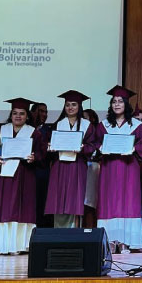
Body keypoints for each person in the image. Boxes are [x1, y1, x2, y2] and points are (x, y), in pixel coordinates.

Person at [0, 98, 45, 254]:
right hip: (4, 173)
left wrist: (34, 157)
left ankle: (20, 245)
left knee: (22, 207)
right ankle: (1, 244)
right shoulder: (1, 130)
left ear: (27, 116)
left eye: (22, 114)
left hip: (25, 174)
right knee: (4, 207)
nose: (18, 116)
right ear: (11, 115)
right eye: (15, 113)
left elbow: (41, 152)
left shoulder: (34, 132)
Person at [96, 86, 142, 254]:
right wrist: (100, 148)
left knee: (128, 202)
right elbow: (96, 143)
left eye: (120, 101)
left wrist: (134, 149)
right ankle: (111, 241)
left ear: (126, 104)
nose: (117, 104)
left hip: (129, 167)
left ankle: (126, 241)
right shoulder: (103, 125)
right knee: (109, 202)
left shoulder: (137, 126)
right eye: (114, 102)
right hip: (109, 167)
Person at [44, 90, 98, 228]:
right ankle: (59, 232)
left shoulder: (87, 125)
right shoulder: (57, 124)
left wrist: (83, 148)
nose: (70, 107)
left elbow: (93, 145)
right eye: (68, 105)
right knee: (59, 199)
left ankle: (74, 231)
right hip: (60, 166)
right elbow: (48, 144)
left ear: (79, 106)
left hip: (77, 165)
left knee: (75, 199)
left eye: (74, 104)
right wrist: (50, 147)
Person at [29, 102, 52, 228]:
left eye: (45, 111)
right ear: (32, 112)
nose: (44, 114)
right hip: (27, 170)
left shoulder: (48, 130)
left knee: (42, 202)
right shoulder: (26, 129)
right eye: (40, 111)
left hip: (43, 172)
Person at [82, 109, 100, 228]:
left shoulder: (98, 133)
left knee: (91, 202)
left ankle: (91, 229)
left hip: (94, 169)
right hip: (81, 169)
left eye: (85, 117)